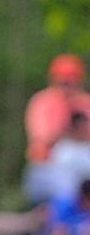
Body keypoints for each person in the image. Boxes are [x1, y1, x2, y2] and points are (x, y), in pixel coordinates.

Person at [24, 54, 90, 203]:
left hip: (83, 161)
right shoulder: (43, 103)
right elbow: (42, 141)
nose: (69, 85)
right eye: (65, 81)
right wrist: (66, 121)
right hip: (48, 165)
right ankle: (63, 222)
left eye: (73, 79)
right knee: (67, 186)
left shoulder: (85, 103)